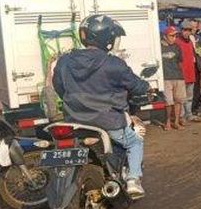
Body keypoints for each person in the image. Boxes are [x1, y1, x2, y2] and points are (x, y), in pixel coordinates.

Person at [53, 15, 149, 198]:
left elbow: (59, 87)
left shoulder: (64, 61)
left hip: (73, 121)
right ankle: (133, 180)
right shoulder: (114, 63)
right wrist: (147, 88)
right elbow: (136, 85)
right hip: (108, 121)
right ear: (108, 38)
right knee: (135, 142)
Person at [162, 26, 186, 130]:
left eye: (175, 35)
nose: (174, 37)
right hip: (166, 77)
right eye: (171, 35)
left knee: (178, 100)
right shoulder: (159, 47)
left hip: (178, 77)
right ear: (165, 36)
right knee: (168, 102)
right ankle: (167, 122)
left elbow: (180, 61)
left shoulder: (177, 47)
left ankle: (176, 122)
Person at [176, 21, 200, 123]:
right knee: (181, 98)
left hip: (191, 73)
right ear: (181, 31)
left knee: (189, 97)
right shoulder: (177, 42)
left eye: (189, 30)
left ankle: (189, 114)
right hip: (181, 74)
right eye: (185, 30)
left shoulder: (190, 42)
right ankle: (181, 117)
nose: (187, 32)